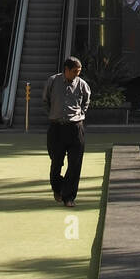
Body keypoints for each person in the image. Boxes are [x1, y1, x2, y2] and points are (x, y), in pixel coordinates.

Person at [45, 57, 91, 206]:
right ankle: (58, 188)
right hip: (56, 128)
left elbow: (86, 101)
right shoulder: (53, 81)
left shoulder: (82, 84)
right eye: (74, 71)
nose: (77, 74)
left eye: (79, 71)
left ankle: (69, 197)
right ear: (66, 69)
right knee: (56, 162)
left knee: (75, 163)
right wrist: (53, 115)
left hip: (75, 127)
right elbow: (45, 100)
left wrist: (80, 114)